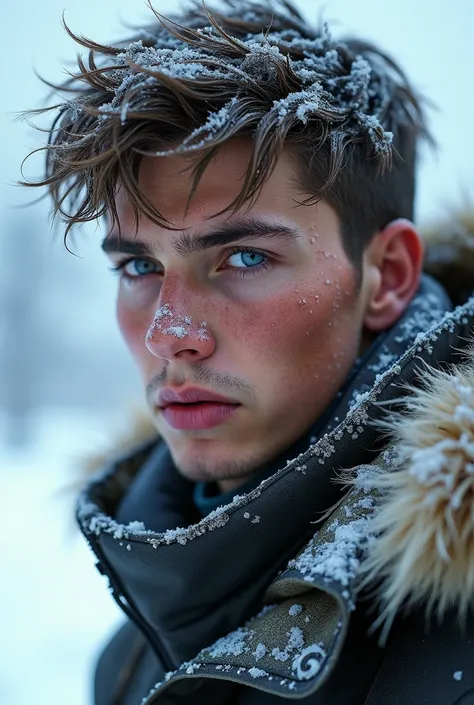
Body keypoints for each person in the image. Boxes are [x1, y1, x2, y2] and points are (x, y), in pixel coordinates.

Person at [24, 1, 474, 702]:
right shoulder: (130, 653)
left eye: (242, 256)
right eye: (139, 267)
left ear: (386, 276)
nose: (169, 333)